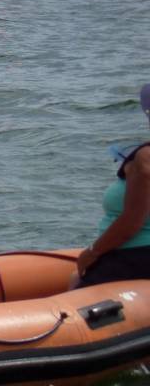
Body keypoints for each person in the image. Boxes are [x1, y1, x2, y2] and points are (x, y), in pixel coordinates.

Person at [74, 83, 150, 288]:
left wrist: (91, 253)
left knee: (74, 292)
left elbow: (131, 223)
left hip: (133, 258)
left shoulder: (145, 158)